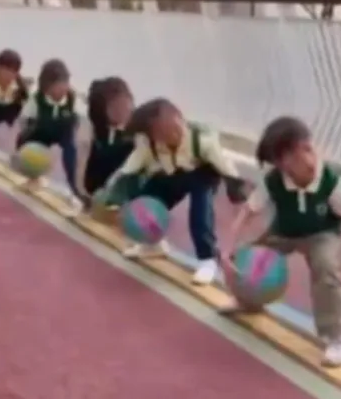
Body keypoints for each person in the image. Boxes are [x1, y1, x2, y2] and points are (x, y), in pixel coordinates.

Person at [218, 116, 341, 367]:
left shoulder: (331, 181)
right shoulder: (274, 180)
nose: (282, 166)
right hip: (283, 232)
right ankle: (249, 301)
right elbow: (248, 212)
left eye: (287, 157)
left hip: (322, 235)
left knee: (326, 268)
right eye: (278, 161)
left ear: (308, 147)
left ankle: (337, 336)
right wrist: (227, 249)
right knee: (247, 255)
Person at [103, 97, 246, 284]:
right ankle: (153, 244)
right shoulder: (148, 144)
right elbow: (131, 168)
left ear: (180, 119)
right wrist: (116, 194)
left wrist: (237, 191)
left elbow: (225, 166)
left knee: (200, 212)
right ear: (152, 135)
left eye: (176, 128)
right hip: (172, 174)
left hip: (203, 176)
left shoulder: (202, 141)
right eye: (164, 133)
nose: (173, 134)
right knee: (145, 202)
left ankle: (208, 260)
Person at [16, 58, 84, 213]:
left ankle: (75, 190)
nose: (62, 90)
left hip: (63, 131)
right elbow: (24, 120)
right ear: (47, 87)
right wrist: (25, 141)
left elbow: (78, 124)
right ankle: (33, 176)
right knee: (24, 143)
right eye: (58, 87)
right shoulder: (37, 99)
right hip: (42, 131)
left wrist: (73, 130)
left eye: (65, 84)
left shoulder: (72, 99)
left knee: (71, 153)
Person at [74, 76, 135, 202]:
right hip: (89, 193)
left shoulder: (135, 138)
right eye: (116, 107)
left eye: (126, 105)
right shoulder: (90, 130)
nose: (123, 110)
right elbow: (80, 167)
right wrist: (81, 193)